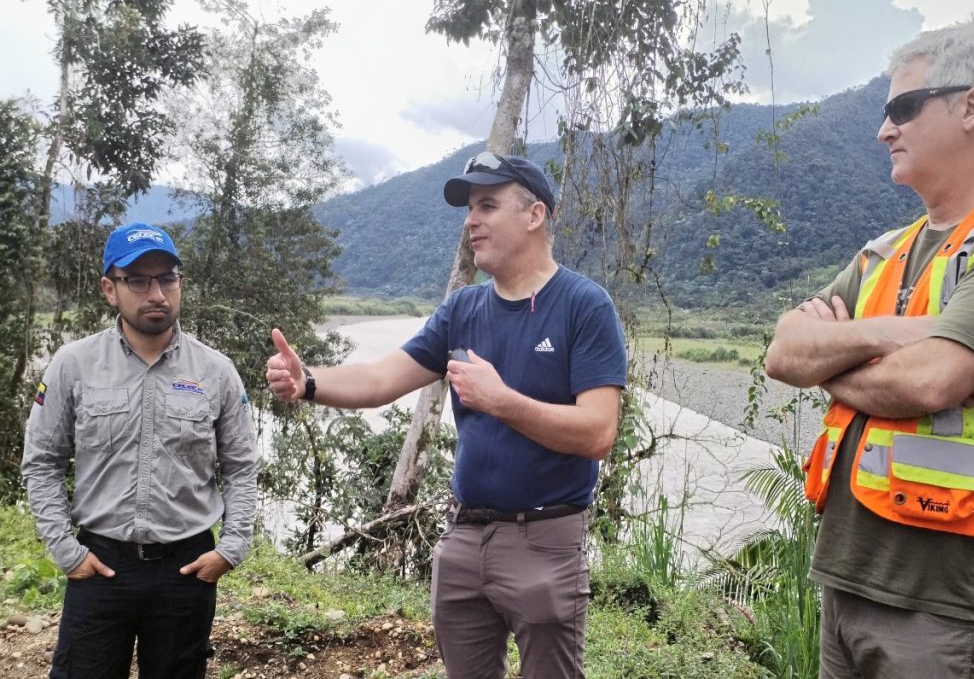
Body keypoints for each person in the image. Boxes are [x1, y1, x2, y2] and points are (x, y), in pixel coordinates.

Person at [266, 152, 627, 678]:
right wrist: (310, 383)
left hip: (544, 541)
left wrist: (500, 399)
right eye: (468, 208)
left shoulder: (583, 306)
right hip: (463, 539)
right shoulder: (464, 309)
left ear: (534, 215)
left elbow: (598, 432)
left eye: (487, 205)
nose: (470, 220)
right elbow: (382, 378)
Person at [764, 21, 974, 678]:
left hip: (944, 607)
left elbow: (934, 379)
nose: (884, 130)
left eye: (903, 107)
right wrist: (896, 334)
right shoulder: (883, 252)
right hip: (846, 583)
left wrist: (834, 364)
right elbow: (784, 352)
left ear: (972, 105)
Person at [22, 222, 259, 678]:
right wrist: (65, 550)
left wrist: (231, 547)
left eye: (167, 278)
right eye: (139, 280)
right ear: (110, 289)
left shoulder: (217, 371)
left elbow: (241, 466)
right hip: (99, 567)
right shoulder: (74, 364)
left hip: (185, 569)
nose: (157, 293)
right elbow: (42, 462)